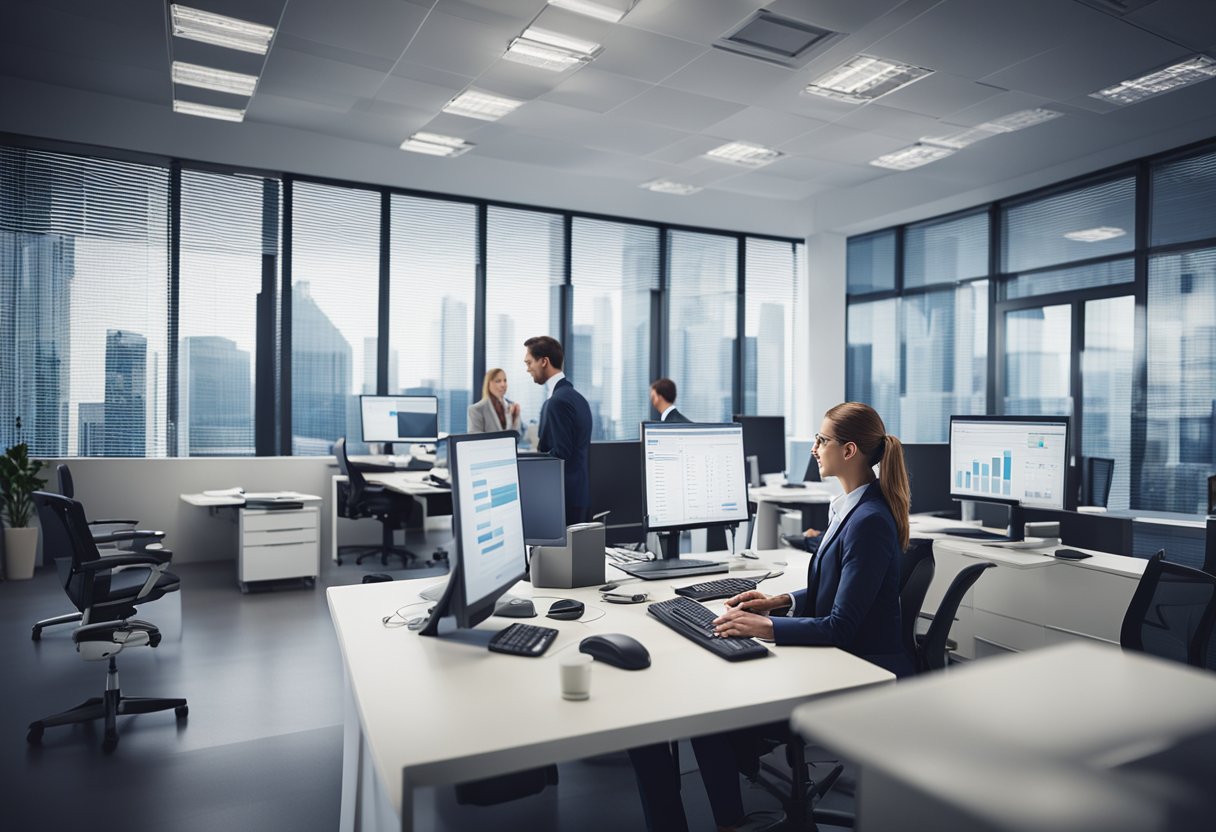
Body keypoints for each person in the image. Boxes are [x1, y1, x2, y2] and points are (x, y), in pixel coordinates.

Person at [629, 402, 914, 832]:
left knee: (708, 713)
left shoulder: (869, 519)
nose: (814, 449)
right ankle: (732, 819)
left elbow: (841, 625)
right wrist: (779, 601)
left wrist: (766, 628)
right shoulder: (849, 506)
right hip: (837, 656)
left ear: (850, 450)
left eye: (822, 440)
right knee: (707, 705)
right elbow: (834, 592)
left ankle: (731, 822)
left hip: (856, 669)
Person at [523, 336, 592, 523]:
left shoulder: (557, 402)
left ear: (544, 361)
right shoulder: (578, 399)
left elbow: (561, 453)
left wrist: (526, 463)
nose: (528, 368)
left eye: (529, 362)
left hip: (562, 499)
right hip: (579, 495)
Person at [467, 368, 521, 435]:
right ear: (488, 384)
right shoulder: (476, 409)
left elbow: (518, 438)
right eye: (498, 381)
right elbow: (475, 440)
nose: (503, 385)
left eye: (505, 380)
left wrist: (514, 420)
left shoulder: (512, 406)